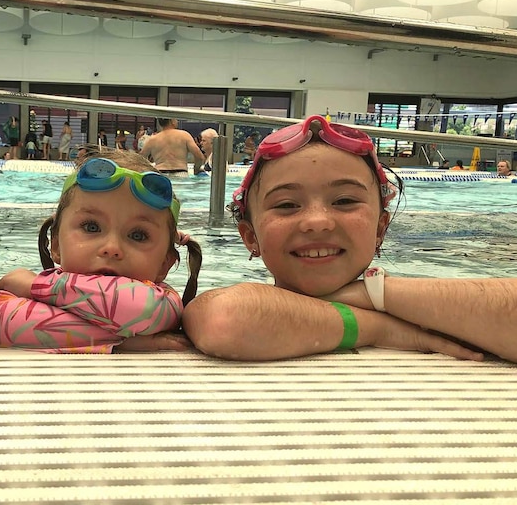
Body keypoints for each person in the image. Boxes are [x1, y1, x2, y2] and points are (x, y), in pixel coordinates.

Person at [183, 115, 517, 363]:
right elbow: (224, 319)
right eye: (286, 205)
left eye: (344, 201)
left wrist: (373, 293)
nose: (317, 222)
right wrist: (382, 329)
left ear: (380, 229)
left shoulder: (429, 307)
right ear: (250, 236)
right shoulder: (414, 322)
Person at [0, 149, 203, 353]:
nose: (112, 248)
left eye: (138, 235)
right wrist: (126, 342)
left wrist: (35, 286)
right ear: (55, 245)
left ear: (165, 263)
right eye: (91, 227)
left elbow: (144, 308)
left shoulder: (165, 302)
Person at [139, 118, 205, 176]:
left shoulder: (153, 139)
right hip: (181, 173)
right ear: (172, 121)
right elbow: (199, 157)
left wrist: (149, 170)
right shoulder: (184, 135)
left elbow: (139, 159)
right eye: (176, 119)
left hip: (160, 174)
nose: (177, 121)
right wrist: (196, 169)